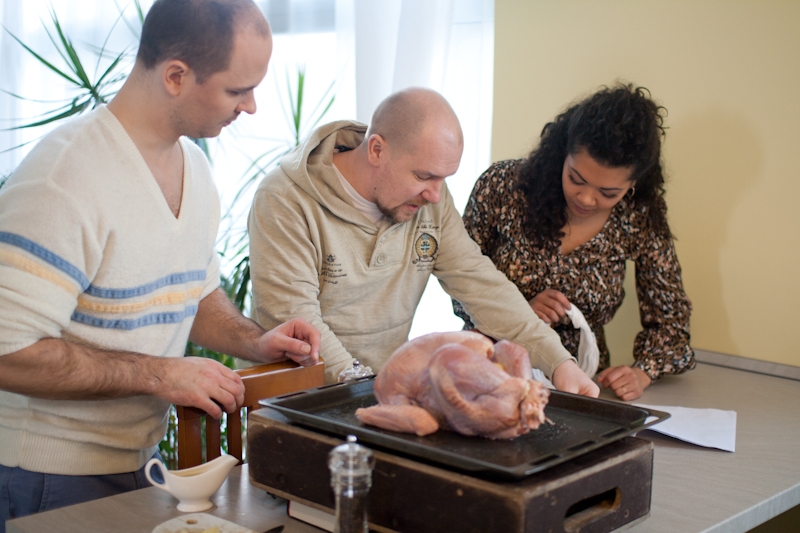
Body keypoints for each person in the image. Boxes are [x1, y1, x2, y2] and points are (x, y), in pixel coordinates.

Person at [0, 0, 319, 526]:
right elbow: (8, 352)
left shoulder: (195, 169)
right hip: (44, 476)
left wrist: (252, 341)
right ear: (176, 76)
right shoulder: (65, 178)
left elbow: (191, 293)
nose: (253, 106)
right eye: (238, 90)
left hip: (137, 465)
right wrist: (158, 374)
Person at [247, 87, 598, 397]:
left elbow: (482, 286)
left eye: (443, 179)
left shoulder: (428, 200)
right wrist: (368, 392)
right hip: (297, 404)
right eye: (423, 176)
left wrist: (559, 362)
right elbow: (299, 325)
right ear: (377, 150)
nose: (434, 194)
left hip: (377, 397)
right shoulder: (285, 199)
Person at [454, 84, 695, 401]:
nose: (585, 198)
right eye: (576, 178)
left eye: (608, 193)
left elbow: (672, 324)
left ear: (634, 184)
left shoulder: (638, 219)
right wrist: (516, 314)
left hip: (582, 387)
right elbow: (458, 278)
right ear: (562, 155)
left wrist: (643, 372)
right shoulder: (503, 188)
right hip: (492, 374)